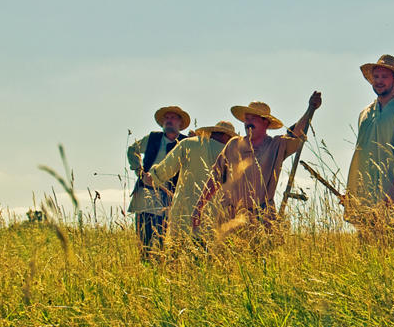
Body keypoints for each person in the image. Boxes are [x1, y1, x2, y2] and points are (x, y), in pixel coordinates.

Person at [192, 93, 322, 230]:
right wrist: (199, 207)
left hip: (262, 219)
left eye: (252, 119)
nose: (248, 123)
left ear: (265, 122)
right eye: (246, 119)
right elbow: (215, 178)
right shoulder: (233, 145)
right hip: (229, 219)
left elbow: (296, 133)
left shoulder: (275, 145)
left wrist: (310, 109)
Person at [344, 54, 394, 234]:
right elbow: (360, 156)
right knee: (365, 252)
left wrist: (390, 195)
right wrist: (353, 193)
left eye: (384, 77)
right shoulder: (365, 114)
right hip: (364, 197)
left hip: (393, 196)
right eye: (376, 77)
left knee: (389, 247)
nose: (379, 81)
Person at [144, 120, 237, 241]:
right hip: (216, 220)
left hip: (183, 215)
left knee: (178, 254)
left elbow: (165, 170)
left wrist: (151, 176)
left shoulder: (188, 144)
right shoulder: (233, 154)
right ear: (228, 137)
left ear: (212, 132)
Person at [127, 105, 190, 257]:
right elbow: (132, 150)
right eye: (166, 118)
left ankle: (162, 267)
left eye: (173, 118)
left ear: (180, 123)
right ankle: (145, 264)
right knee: (144, 237)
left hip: (170, 195)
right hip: (145, 193)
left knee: (165, 238)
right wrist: (140, 172)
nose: (169, 121)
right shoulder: (153, 138)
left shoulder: (186, 142)